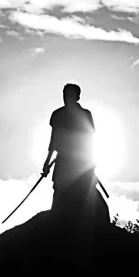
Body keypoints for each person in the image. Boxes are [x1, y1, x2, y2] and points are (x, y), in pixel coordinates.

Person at [41, 83, 110, 225]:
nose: (66, 98)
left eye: (69, 95)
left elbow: (89, 140)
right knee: (60, 194)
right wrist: (47, 162)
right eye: (64, 95)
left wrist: (90, 164)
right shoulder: (58, 114)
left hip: (81, 163)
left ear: (77, 97)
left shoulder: (86, 115)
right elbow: (54, 140)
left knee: (87, 196)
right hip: (63, 163)